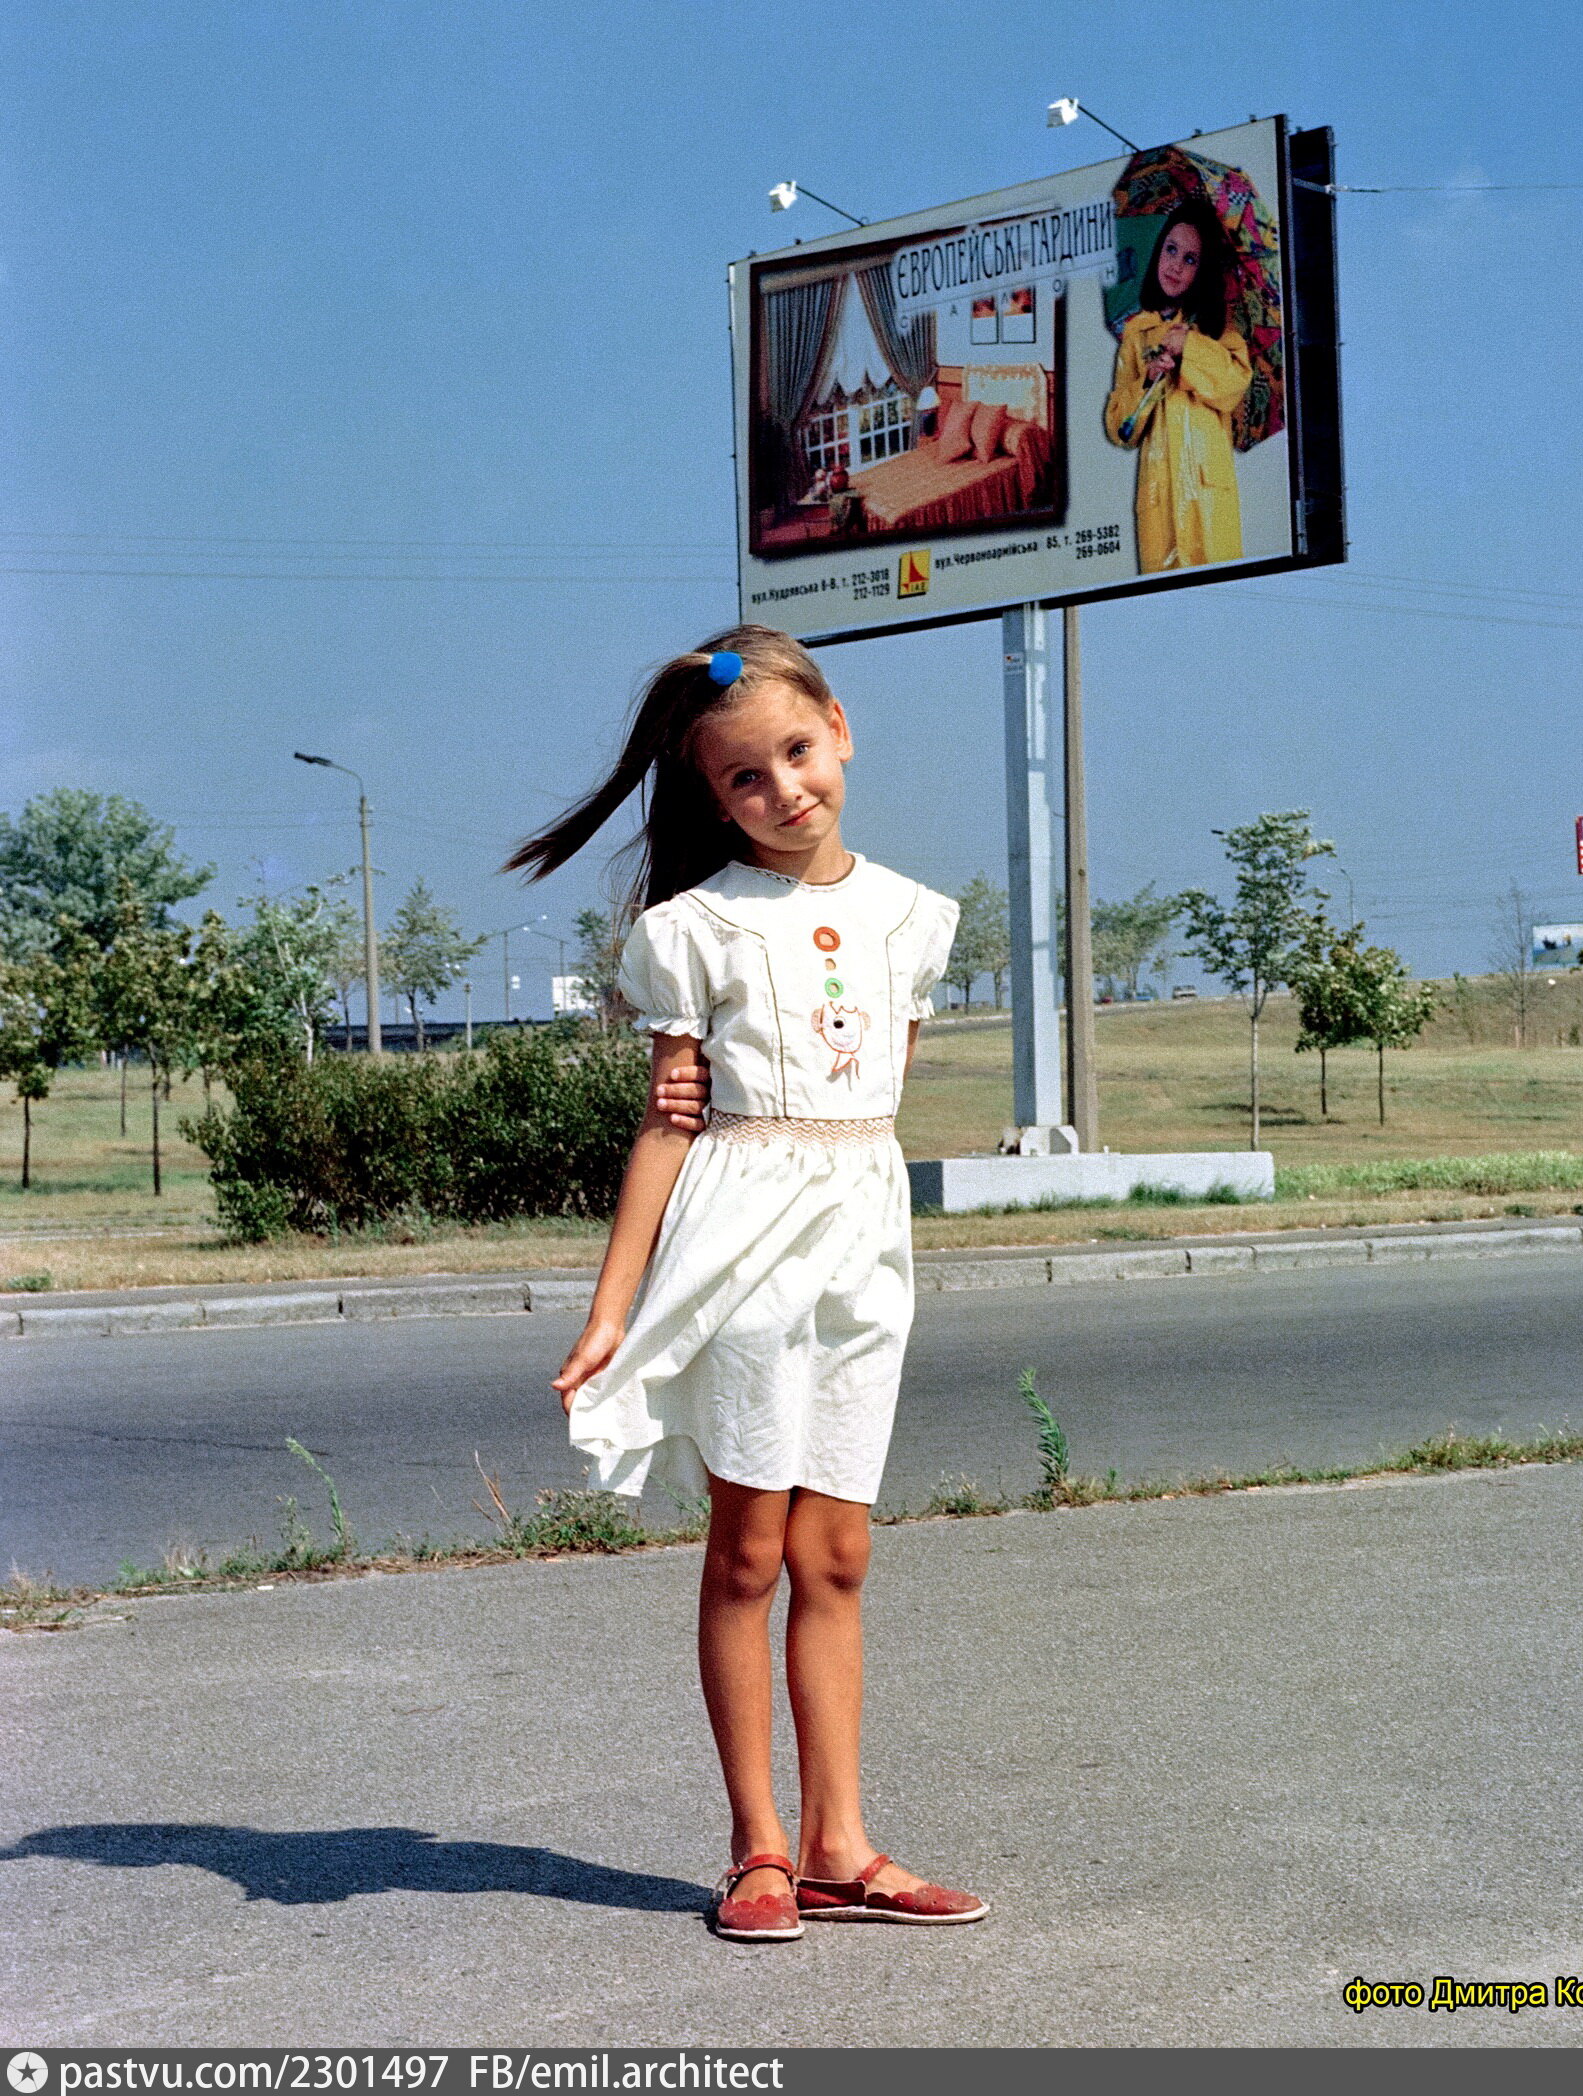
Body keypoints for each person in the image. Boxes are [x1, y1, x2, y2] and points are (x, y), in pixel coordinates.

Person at [504, 625, 986, 1944]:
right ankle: (758, 1847)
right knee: (750, 1550)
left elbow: (873, 1089)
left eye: (797, 751)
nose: (783, 789)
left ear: (841, 727)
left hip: (863, 1244)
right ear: (712, 799)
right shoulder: (694, 931)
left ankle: (842, 1844)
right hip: (742, 1239)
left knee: (840, 1551)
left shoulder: (915, 919)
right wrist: (612, 1308)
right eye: (744, 778)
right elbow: (669, 1125)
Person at [1103, 201, 1253, 571]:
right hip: (1160, 498)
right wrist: (1147, 381)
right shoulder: (1137, 335)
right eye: (1171, 249)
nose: (1175, 265)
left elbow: (1233, 386)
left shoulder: (1220, 331)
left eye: (1190, 259)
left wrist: (1191, 346)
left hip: (1207, 496)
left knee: (1220, 587)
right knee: (1163, 591)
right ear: (1158, 251)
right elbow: (1120, 429)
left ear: (1202, 270)